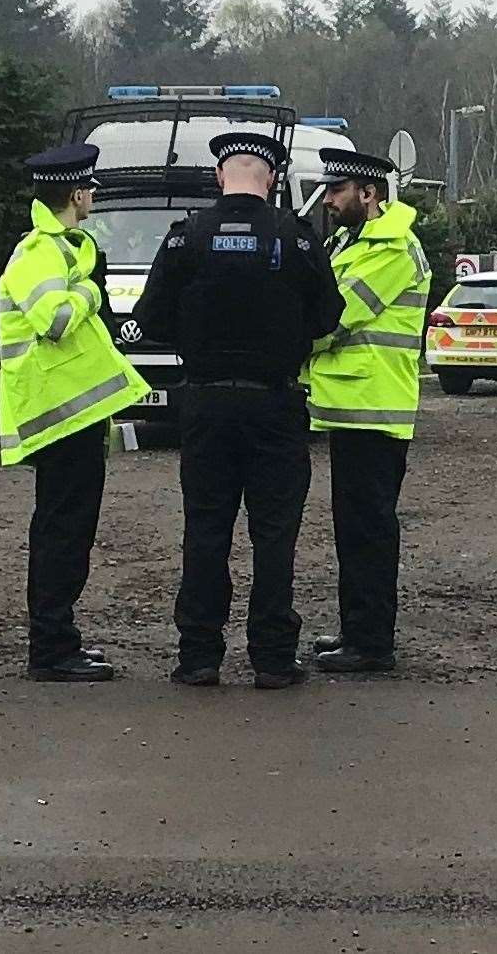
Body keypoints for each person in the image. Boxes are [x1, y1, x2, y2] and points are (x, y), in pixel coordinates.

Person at [131, 132, 342, 689]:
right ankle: (273, 658)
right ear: (271, 179)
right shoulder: (295, 239)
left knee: (206, 529)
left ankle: (199, 655)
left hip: (204, 401)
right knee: (275, 534)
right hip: (274, 403)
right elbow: (328, 317)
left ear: (220, 176)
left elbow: (150, 317)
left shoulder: (187, 237)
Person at [0, 143, 149, 683]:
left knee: (68, 531)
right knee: (62, 533)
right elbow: (55, 320)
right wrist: (88, 288)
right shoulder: (42, 251)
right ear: (77, 193)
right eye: (90, 190)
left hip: (71, 413)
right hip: (56, 413)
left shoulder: (63, 247)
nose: (94, 198)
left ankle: (59, 641)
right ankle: (51, 649)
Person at [306, 148, 431, 673]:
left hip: (374, 407)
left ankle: (372, 643)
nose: (328, 201)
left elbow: (334, 319)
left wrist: (277, 342)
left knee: (369, 529)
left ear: (369, 194)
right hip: (354, 405)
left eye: (337, 191)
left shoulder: (391, 247)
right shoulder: (355, 241)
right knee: (354, 527)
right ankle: (357, 630)